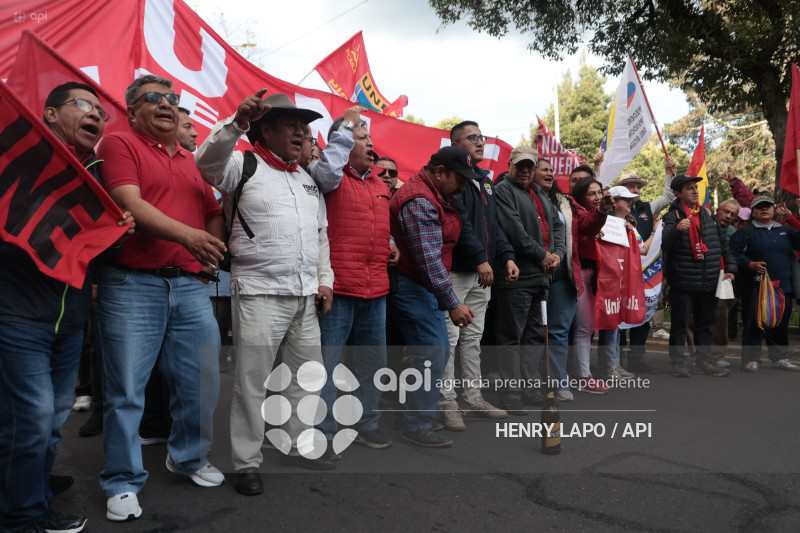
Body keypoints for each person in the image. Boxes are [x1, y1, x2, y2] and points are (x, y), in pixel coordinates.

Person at [0, 81, 133, 533]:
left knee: (50, 424)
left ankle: (28, 484)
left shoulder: (96, 177)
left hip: (69, 323)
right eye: (83, 105)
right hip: (18, 316)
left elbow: (93, 256)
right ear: (51, 114)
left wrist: (118, 232)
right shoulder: (21, 162)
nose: (96, 114)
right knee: (30, 423)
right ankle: (23, 518)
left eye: (101, 110)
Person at [95, 75, 225, 521]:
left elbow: (212, 212)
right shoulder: (118, 144)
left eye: (173, 99)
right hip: (132, 284)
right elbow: (129, 201)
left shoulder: (192, 160)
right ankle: (121, 480)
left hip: (189, 287)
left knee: (202, 382)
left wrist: (209, 255)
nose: (168, 105)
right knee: (126, 391)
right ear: (132, 111)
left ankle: (187, 457)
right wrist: (192, 238)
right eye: (155, 98)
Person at [195, 90, 335, 496]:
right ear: (265, 130)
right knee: (252, 382)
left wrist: (325, 280)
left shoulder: (308, 180)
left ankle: (296, 443)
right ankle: (246, 461)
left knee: (305, 378)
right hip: (258, 293)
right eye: (291, 125)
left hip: (306, 297)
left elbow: (321, 236)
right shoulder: (243, 164)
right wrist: (236, 123)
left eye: (304, 127)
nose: (302, 132)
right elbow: (205, 164)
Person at [310, 109, 398, 454]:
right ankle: (326, 432)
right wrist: (347, 126)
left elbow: (375, 225)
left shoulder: (379, 184)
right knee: (327, 365)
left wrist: (390, 244)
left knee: (373, 363)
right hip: (339, 289)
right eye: (362, 139)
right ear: (343, 144)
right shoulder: (328, 177)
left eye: (370, 139)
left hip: (375, 289)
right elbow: (330, 168)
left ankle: (366, 424)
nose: (370, 145)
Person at [389, 146, 475, 447]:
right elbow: (427, 258)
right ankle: (416, 423)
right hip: (412, 283)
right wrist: (452, 302)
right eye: (460, 179)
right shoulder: (419, 200)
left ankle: (412, 415)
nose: (464, 186)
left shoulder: (436, 194)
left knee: (427, 351)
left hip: (420, 283)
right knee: (432, 350)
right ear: (440, 172)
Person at [439, 121, 518, 431]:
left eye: (481, 137)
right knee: (450, 338)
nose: (481, 142)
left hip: (481, 273)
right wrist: (481, 258)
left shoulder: (485, 181)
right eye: (473, 138)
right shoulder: (451, 177)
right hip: (457, 271)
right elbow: (463, 226)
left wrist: (507, 257)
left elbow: (493, 226)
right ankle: (447, 402)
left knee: (472, 339)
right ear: (456, 144)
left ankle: (472, 397)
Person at [494, 148, 564, 412]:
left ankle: (530, 388)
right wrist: (543, 255)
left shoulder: (539, 194)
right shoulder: (503, 190)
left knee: (535, 336)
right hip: (517, 279)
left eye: (529, 167)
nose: (525, 170)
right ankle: (510, 394)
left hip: (541, 279)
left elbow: (557, 227)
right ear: (510, 165)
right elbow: (514, 230)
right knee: (511, 336)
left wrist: (557, 254)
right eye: (520, 165)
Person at [538, 159, 608, 401]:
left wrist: (601, 212)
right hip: (534, 272)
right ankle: (530, 383)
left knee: (559, 330)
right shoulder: (524, 197)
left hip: (565, 272)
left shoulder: (565, 202)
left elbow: (586, 225)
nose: (548, 173)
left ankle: (559, 382)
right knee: (533, 333)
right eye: (542, 169)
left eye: (550, 170)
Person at [662, 175, 736, 377]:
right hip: (683, 282)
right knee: (680, 325)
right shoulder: (673, 216)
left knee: (705, 326)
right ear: (678, 193)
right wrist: (677, 230)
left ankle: (703, 362)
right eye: (689, 188)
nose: (695, 191)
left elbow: (724, 247)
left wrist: (730, 268)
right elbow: (665, 246)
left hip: (708, 282)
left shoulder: (708, 216)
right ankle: (678, 363)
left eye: (696, 187)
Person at [614, 159, 676, 373]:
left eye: (638, 186)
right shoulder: (613, 209)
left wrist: (669, 173)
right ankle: (618, 358)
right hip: (622, 269)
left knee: (643, 313)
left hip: (646, 270)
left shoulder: (648, 207)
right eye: (631, 185)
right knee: (622, 313)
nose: (636, 189)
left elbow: (669, 197)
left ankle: (637, 358)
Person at [729, 196, 800, 372]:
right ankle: (751, 359)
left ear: (774, 210)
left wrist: (792, 218)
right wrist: (749, 264)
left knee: (780, 323)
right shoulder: (745, 232)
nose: (764, 209)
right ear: (753, 212)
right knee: (754, 322)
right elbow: (732, 254)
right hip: (756, 286)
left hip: (783, 286)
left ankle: (780, 358)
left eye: (768, 206)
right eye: (759, 207)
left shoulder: (786, 230)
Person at [572, 177, 616, 393]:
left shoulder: (606, 216)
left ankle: (580, 373)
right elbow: (588, 225)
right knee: (583, 328)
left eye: (599, 192)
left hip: (595, 277)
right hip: (578, 275)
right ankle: (583, 376)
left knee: (586, 328)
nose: (598, 197)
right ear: (581, 197)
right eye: (592, 193)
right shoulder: (576, 214)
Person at [710, 200, 740, 366]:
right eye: (726, 212)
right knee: (695, 318)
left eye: (732, 215)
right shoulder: (704, 223)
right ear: (717, 210)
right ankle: (697, 357)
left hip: (722, 278)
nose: (728, 216)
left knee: (721, 316)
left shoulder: (731, 232)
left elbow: (731, 253)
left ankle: (717, 356)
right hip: (699, 276)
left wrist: (731, 269)